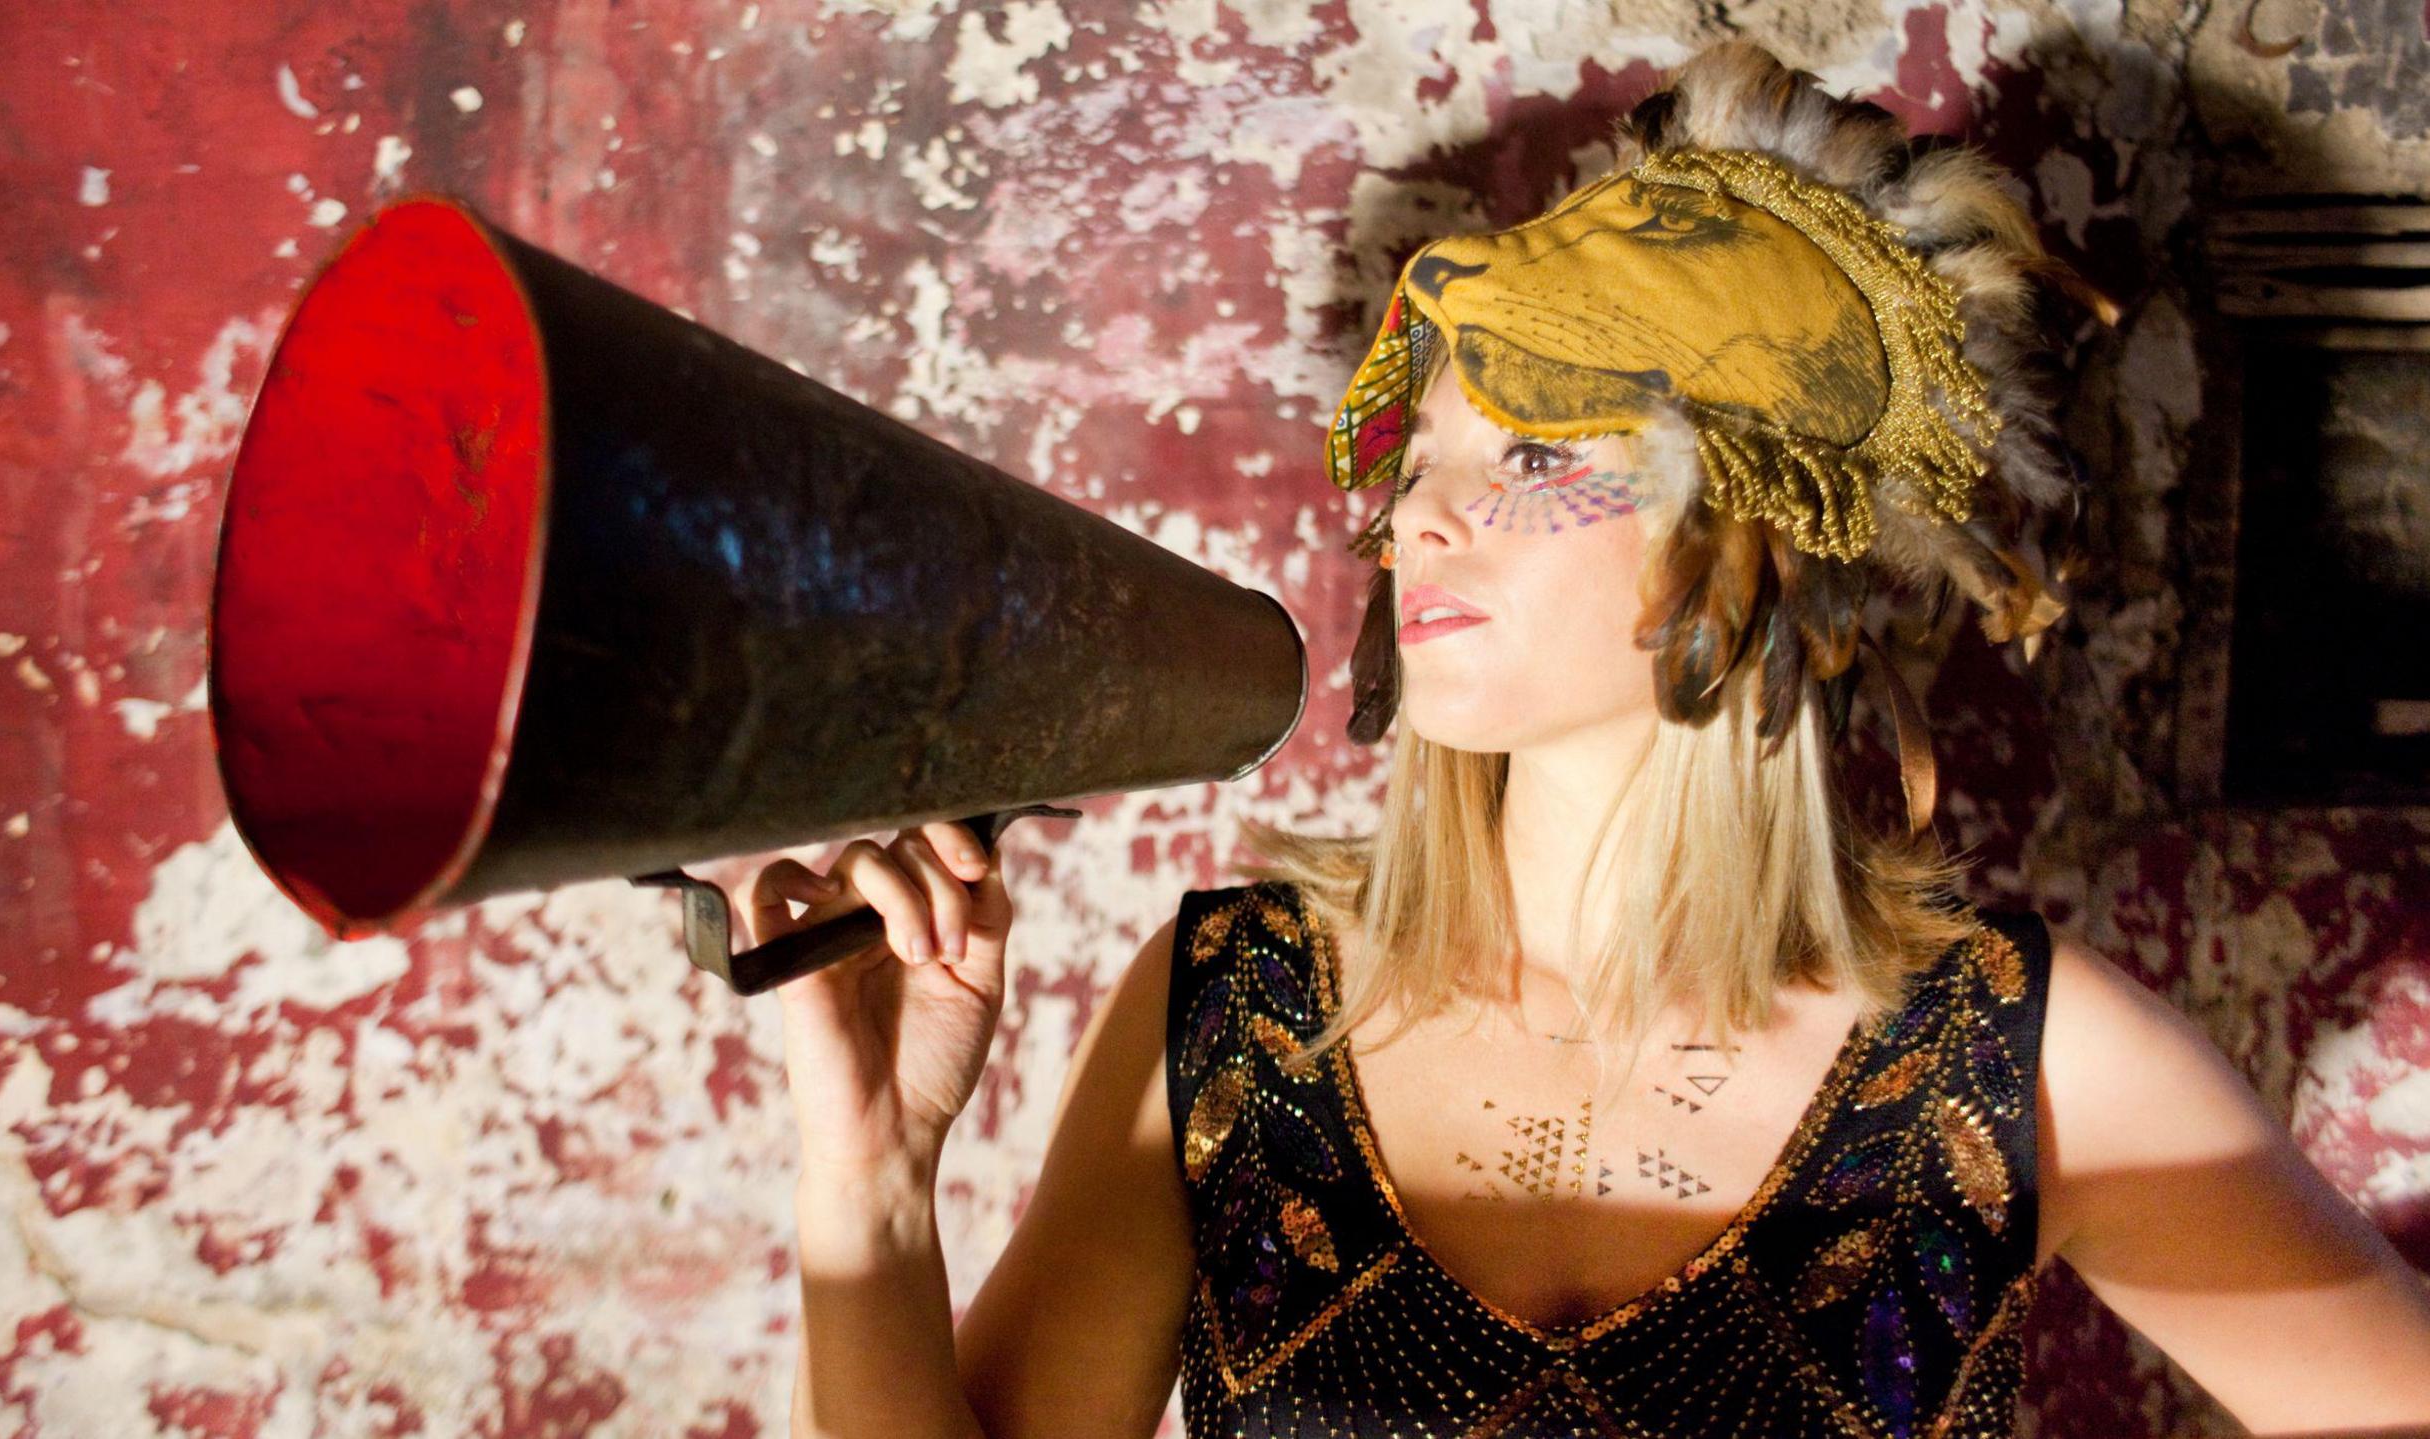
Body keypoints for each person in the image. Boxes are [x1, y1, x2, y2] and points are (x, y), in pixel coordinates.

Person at [746, 39, 2430, 1439]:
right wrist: (872, 1179)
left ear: (1752, 536)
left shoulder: (2016, 1063)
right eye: (1418, 475)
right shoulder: (1237, 1012)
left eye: (1538, 462)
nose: (1427, 528)